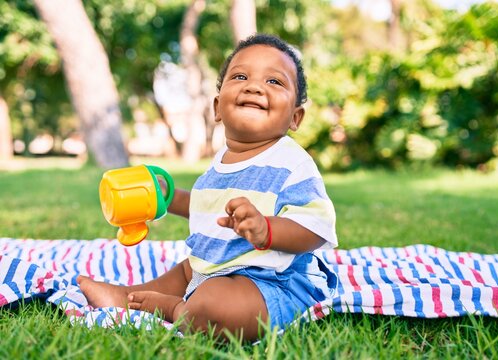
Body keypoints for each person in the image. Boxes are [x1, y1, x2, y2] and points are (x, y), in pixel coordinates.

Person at [78, 34, 338, 341]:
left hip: (275, 283)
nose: (254, 86)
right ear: (217, 108)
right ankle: (129, 296)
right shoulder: (220, 163)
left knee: (213, 302)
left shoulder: (292, 162)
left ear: (295, 117)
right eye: (241, 76)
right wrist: (167, 198)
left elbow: (315, 227)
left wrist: (267, 229)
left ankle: (176, 310)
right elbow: (206, 207)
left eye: (274, 82)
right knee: (188, 269)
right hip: (217, 271)